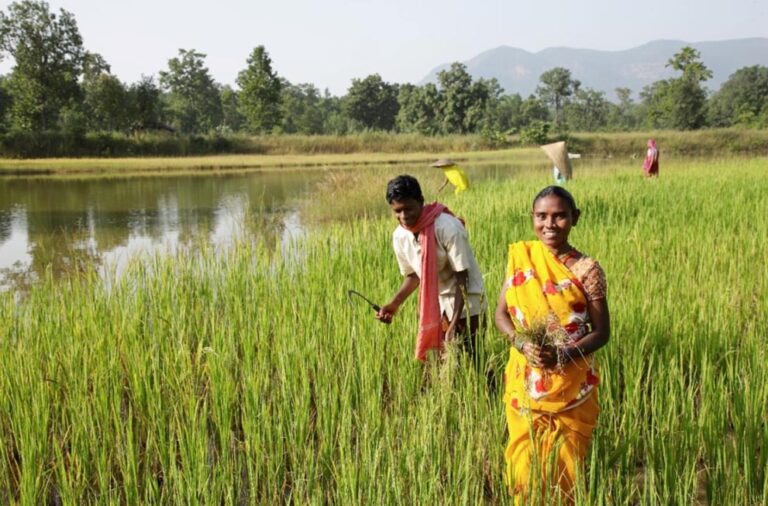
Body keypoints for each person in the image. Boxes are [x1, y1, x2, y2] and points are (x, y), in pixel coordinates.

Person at [494, 186, 610, 503]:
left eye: (559, 216)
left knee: (568, 465)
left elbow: (601, 332)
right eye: (541, 216)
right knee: (524, 464)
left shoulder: (587, 270)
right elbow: (500, 315)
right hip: (526, 379)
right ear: (532, 218)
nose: (549, 224)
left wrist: (563, 354)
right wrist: (520, 343)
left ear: (575, 218)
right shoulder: (522, 260)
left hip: (571, 383)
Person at [376, 175, 486, 361]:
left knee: (475, 358)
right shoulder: (400, 236)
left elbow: (462, 277)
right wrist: (394, 303)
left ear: (420, 201)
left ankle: (491, 389)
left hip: (466, 301)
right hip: (436, 303)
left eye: (408, 208)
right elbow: (414, 276)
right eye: (398, 211)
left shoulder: (448, 227)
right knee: (440, 363)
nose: (404, 216)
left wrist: (453, 325)